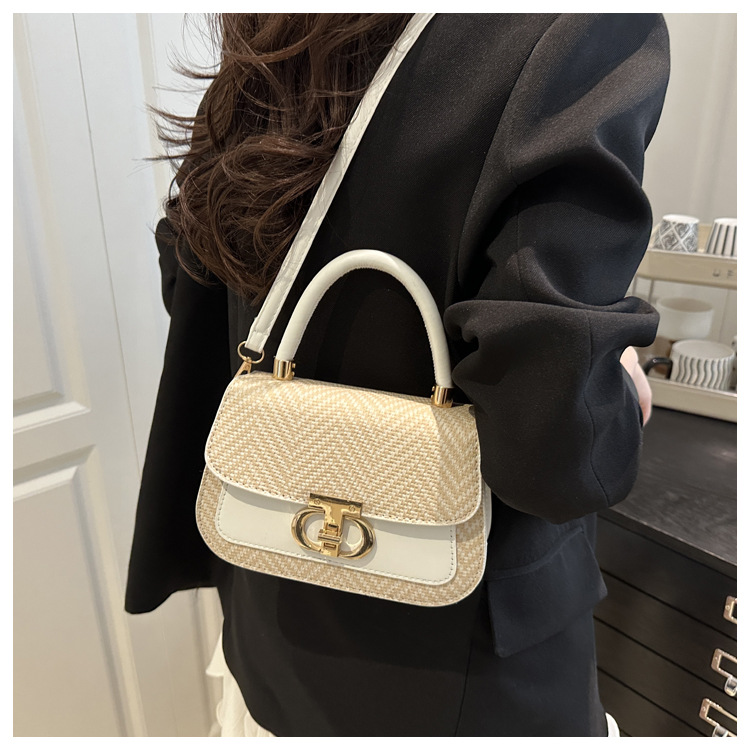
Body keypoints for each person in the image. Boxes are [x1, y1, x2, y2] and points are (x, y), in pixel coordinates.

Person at [125, 13, 669, 736]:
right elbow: (554, 452)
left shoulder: (274, 34)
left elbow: (189, 274)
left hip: (267, 621)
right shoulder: (578, 27)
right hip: (458, 684)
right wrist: (617, 383)